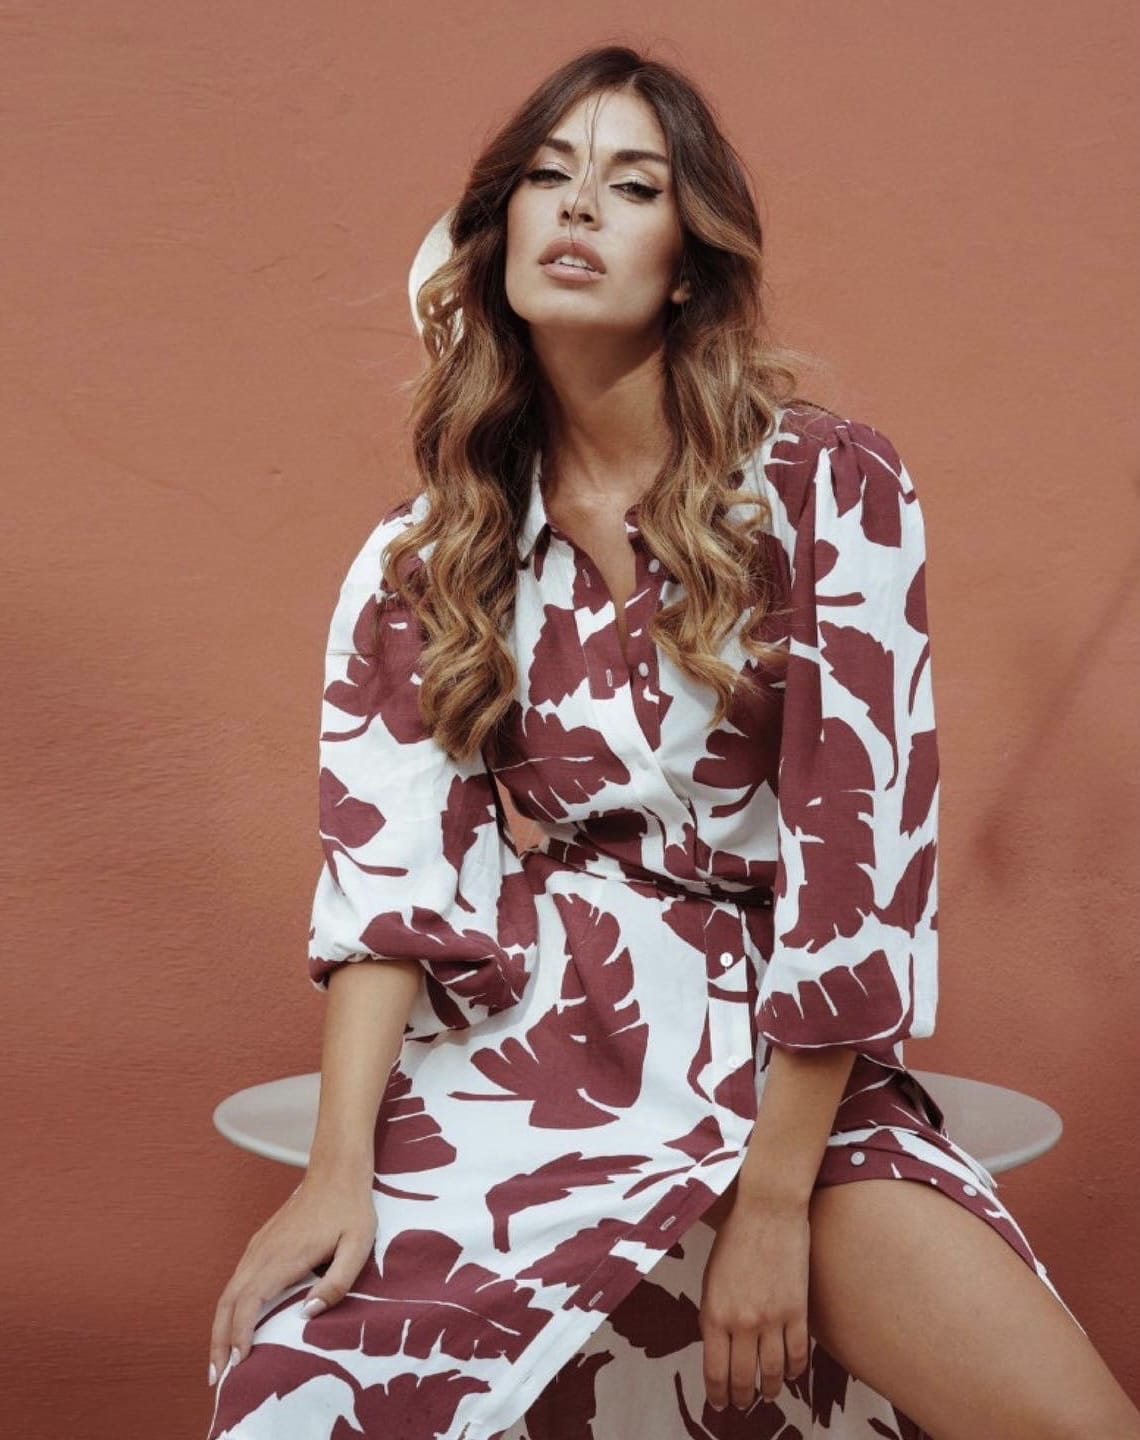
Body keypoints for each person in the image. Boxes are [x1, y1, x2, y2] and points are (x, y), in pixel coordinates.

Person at [205, 43, 1140, 1440]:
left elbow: (858, 864)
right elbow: (389, 887)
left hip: (781, 1061)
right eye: (549, 177)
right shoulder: (428, 553)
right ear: (497, 234)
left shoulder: (828, 486)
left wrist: (774, 1207)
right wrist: (337, 1173)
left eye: (633, 186)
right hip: (539, 1050)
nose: (580, 207)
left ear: (688, 264)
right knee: (295, 1386)